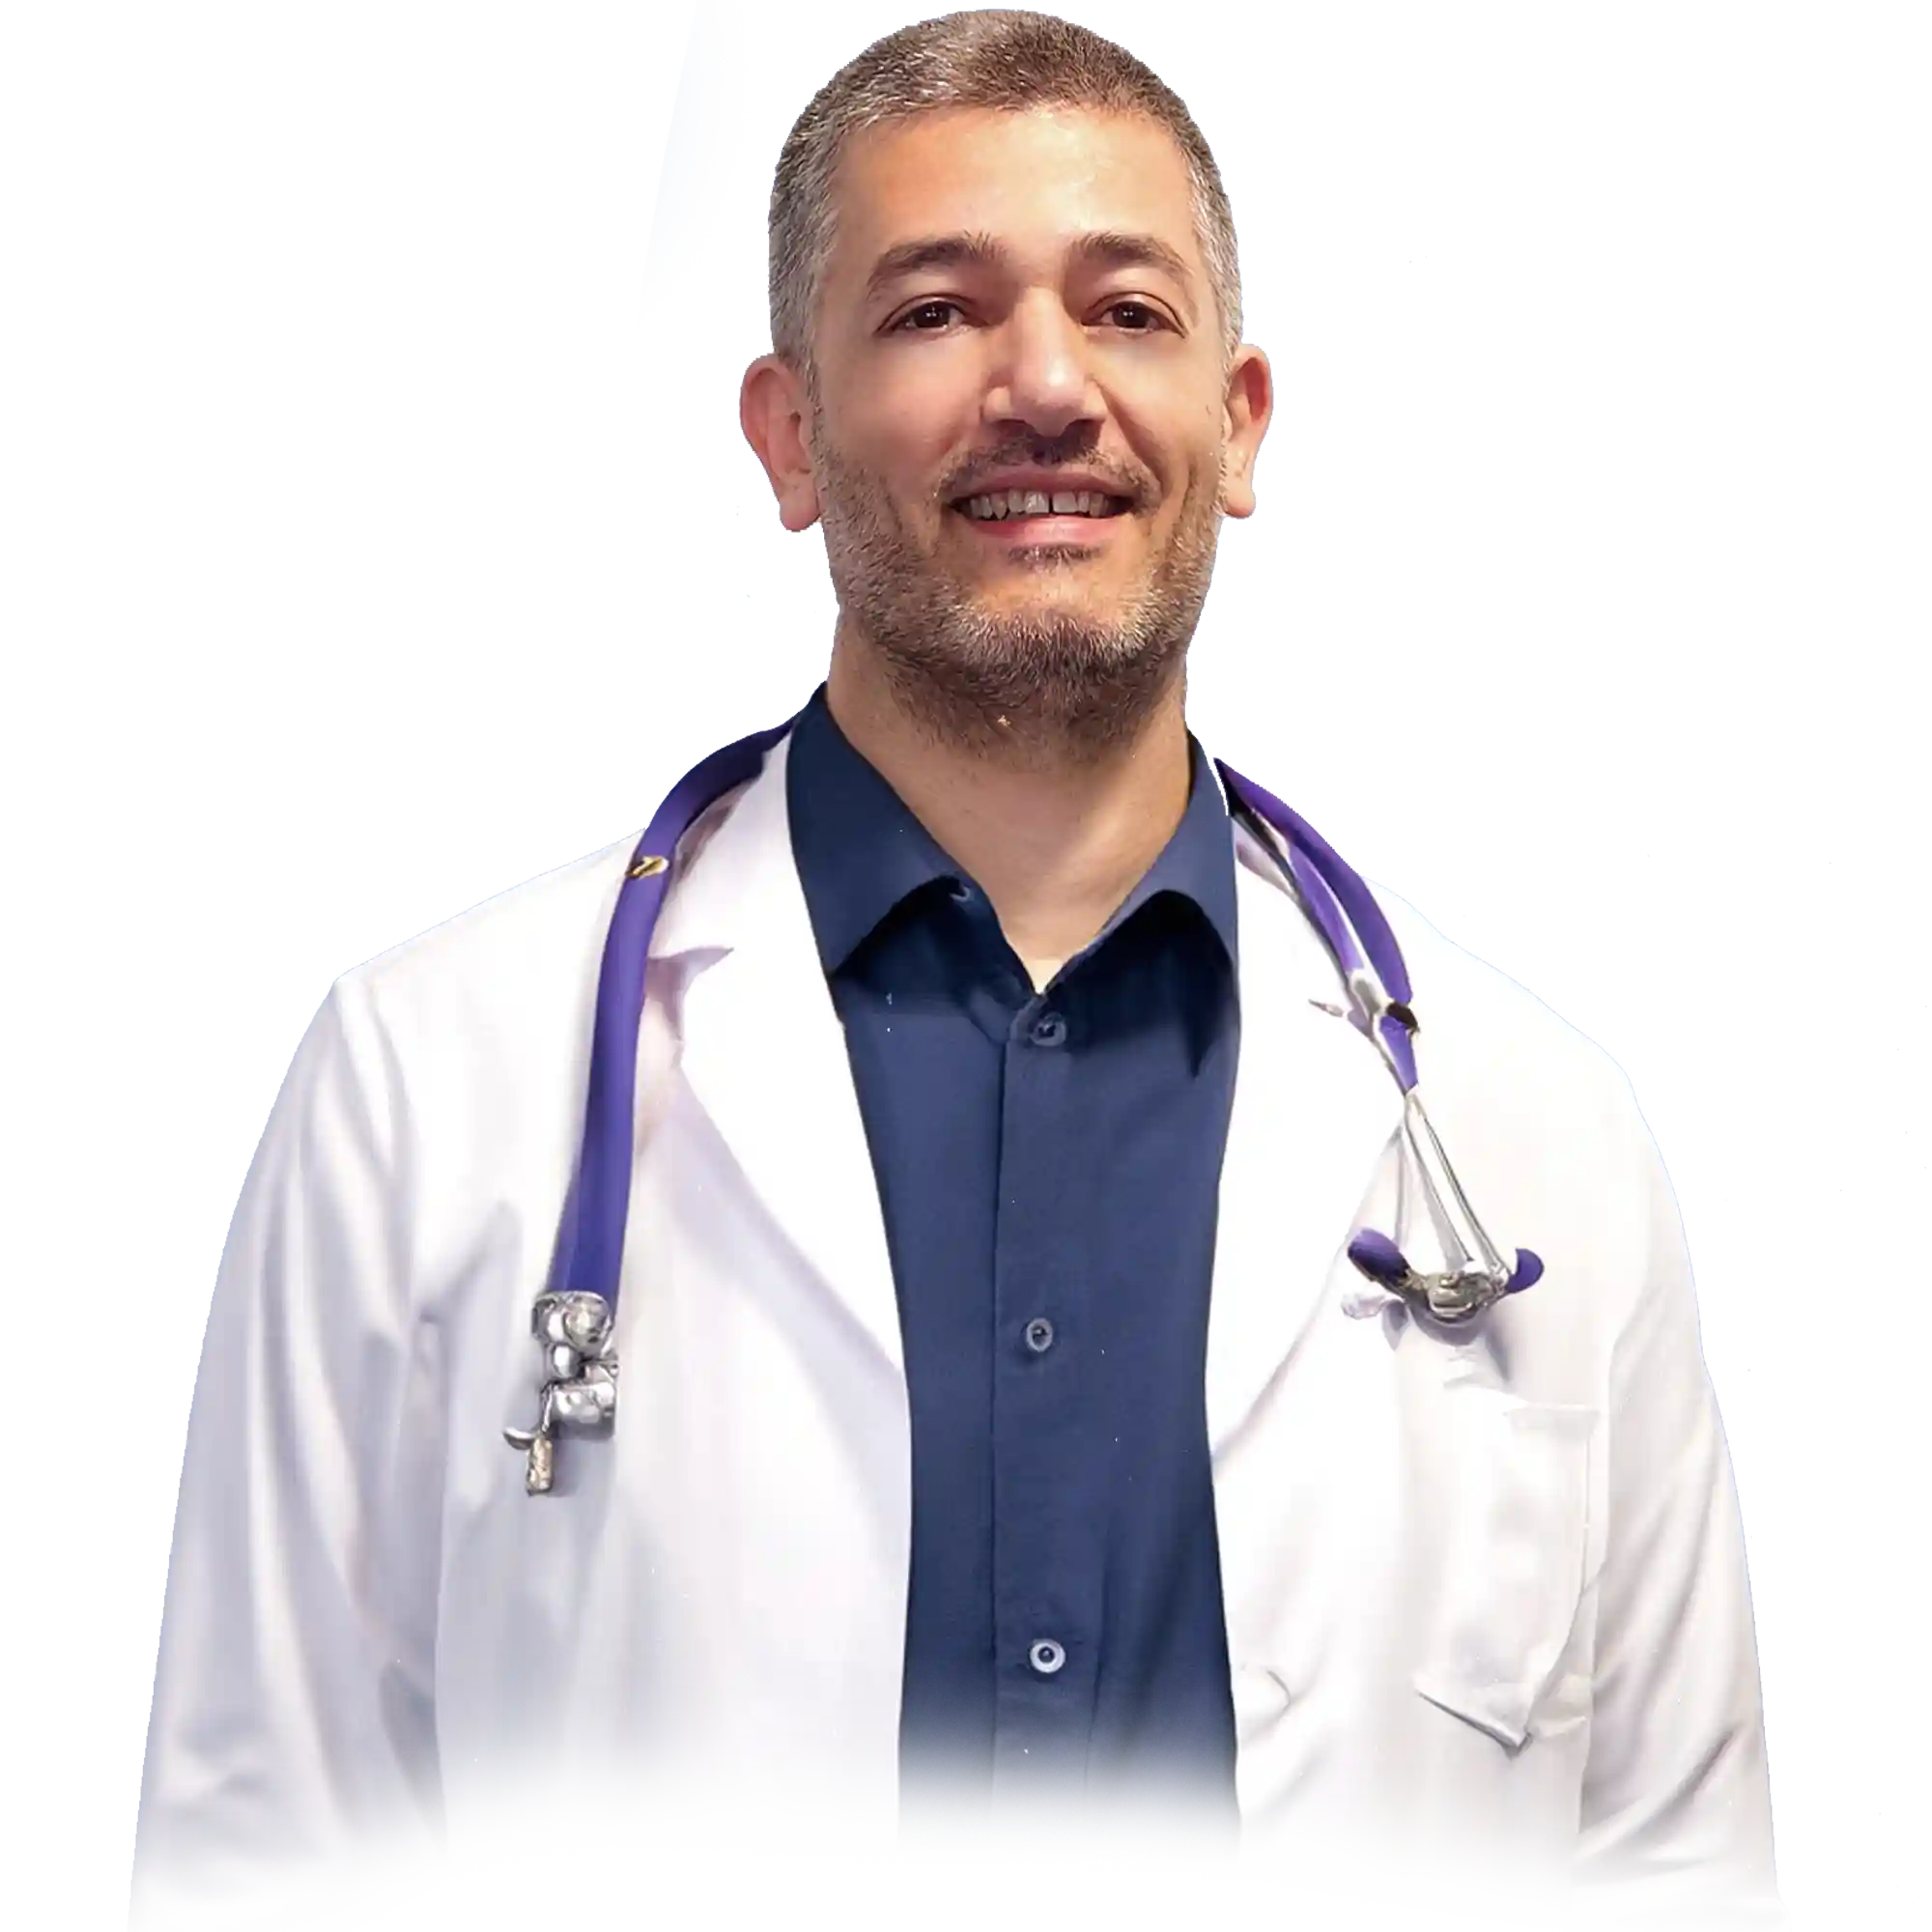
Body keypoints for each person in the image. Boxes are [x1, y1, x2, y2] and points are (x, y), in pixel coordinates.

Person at [128, 11, 1790, 1929]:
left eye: (1127, 311)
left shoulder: (1534, 1130)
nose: (1048, 388)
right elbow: (269, 1878)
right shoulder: (425, 1079)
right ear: (787, 436)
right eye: (936, 312)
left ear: (1239, 424)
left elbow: (1669, 1888)